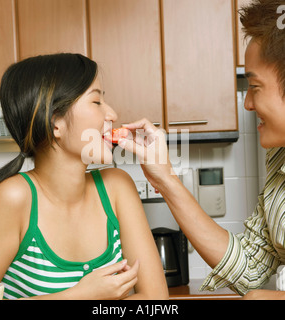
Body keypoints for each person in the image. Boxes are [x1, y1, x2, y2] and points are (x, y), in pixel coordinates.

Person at [118, 0, 285, 300]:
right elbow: (249, 270)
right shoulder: (278, 157)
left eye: (255, 87)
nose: (247, 103)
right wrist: (165, 179)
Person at [0, 53, 168, 300]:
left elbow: (155, 298)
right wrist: (81, 295)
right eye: (96, 102)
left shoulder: (117, 187)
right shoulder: (12, 198)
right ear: (55, 122)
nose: (112, 114)